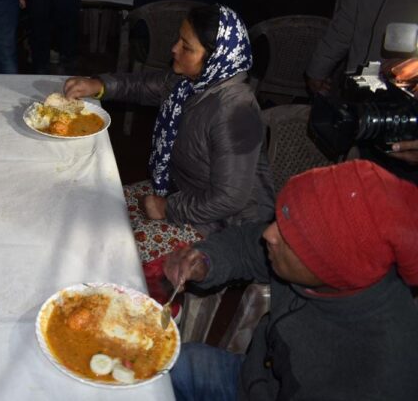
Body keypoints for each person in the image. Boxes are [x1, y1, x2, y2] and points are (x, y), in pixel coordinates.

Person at [165, 160, 418, 401]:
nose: (268, 234)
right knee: (167, 366)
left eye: (291, 237)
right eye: (280, 220)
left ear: (326, 266)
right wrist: (206, 262)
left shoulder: (376, 380)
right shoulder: (321, 262)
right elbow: (245, 245)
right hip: (251, 378)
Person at [63, 5, 274, 269]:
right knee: (90, 203)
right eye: (178, 39)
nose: (174, 49)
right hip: (183, 192)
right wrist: (100, 85)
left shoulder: (235, 112)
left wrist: (167, 208)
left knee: (108, 250)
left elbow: (230, 198)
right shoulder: (191, 84)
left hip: (225, 226)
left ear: (216, 57)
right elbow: (144, 85)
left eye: (186, 47)